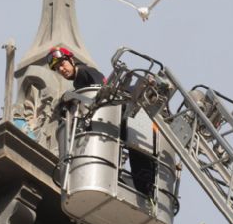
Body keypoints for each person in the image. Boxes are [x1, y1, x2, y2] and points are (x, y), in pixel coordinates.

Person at [47, 46, 156, 197]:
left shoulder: (84, 72)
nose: (61, 69)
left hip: (118, 113)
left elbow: (102, 91)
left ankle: (145, 187)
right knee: (135, 151)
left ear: (71, 60)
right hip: (114, 117)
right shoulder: (78, 82)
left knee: (137, 152)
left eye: (62, 64)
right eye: (58, 68)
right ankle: (144, 187)